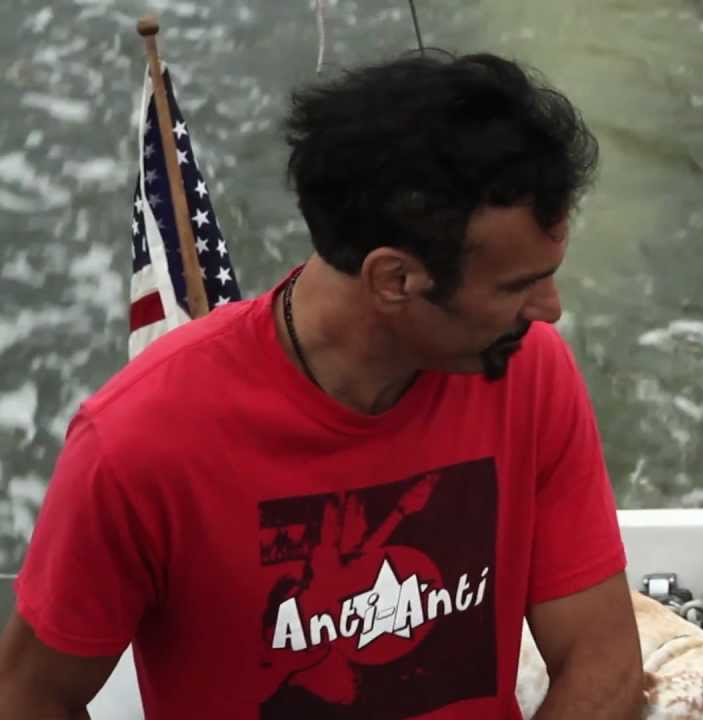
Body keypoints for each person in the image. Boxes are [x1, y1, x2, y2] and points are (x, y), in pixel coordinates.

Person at [0, 51, 644, 719]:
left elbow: (602, 662)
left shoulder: (527, 371)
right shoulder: (136, 445)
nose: (550, 310)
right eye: (518, 286)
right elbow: (28, 699)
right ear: (394, 280)